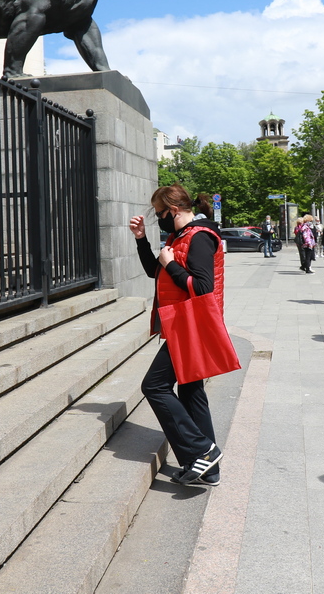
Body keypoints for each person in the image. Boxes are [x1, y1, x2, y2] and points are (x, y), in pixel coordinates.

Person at [130, 184, 224, 486]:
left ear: (173, 211)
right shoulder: (178, 236)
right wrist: (142, 240)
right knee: (191, 392)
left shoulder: (199, 238)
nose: (158, 219)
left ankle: (202, 450)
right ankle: (208, 469)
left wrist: (170, 263)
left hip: (191, 325)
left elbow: (202, 288)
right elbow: (153, 271)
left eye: (159, 214)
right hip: (183, 323)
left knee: (154, 386)